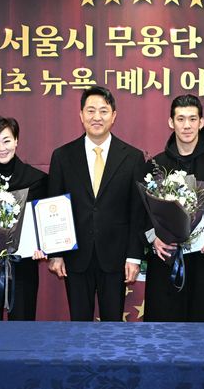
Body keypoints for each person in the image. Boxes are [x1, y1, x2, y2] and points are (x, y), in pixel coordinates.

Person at [47, 86, 145, 321]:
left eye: (103, 111)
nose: (97, 117)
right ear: (81, 115)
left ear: (114, 116)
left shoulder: (132, 157)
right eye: (91, 111)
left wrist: (134, 256)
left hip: (116, 257)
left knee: (113, 326)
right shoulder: (62, 156)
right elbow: (54, 206)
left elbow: (138, 211)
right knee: (79, 324)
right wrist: (56, 253)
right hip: (75, 256)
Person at [145, 94, 204, 322]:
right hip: (168, 260)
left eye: (192, 119)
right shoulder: (155, 166)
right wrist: (154, 238)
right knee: (166, 333)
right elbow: (142, 212)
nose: (187, 125)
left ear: (201, 122)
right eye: (181, 119)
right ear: (171, 122)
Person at [0, 116, 48, 321]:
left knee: (22, 327)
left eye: (6, 140)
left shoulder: (37, 179)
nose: (1, 148)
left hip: (24, 265)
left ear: (16, 141)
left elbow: (44, 221)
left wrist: (43, 245)